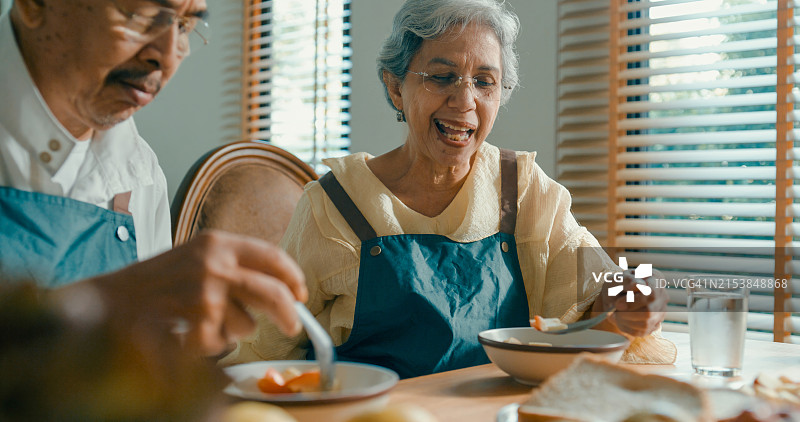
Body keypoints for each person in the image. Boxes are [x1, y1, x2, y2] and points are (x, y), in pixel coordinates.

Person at [221, 0, 674, 378]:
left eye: (485, 81)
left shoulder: (523, 188)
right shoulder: (335, 204)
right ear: (396, 87)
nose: (464, 101)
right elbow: (266, 351)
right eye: (442, 77)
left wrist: (630, 296)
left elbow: (597, 285)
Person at [0, 0, 307, 356]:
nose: (167, 55)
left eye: (185, 25)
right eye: (138, 14)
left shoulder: (140, 172)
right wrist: (108, 302)